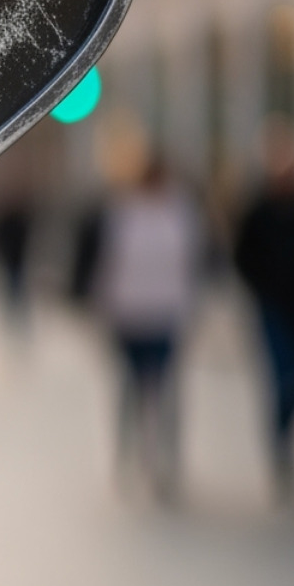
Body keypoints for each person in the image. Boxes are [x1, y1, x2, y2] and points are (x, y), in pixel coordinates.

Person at [90, 154, 203, 501]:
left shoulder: (181, 213)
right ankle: (128, 456)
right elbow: (108, 261)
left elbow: (192, 263)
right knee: (130, 390)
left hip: (166, 312)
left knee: (166, 392)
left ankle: (166, 462)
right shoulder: (123, 213)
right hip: (129, 313)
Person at [232, 122, 294, 497]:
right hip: (272, 305)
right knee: (282, 371)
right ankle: (280, 442)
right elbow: (244, 255)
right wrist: (261, 287)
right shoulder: (258, 210)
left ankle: (286, 434)